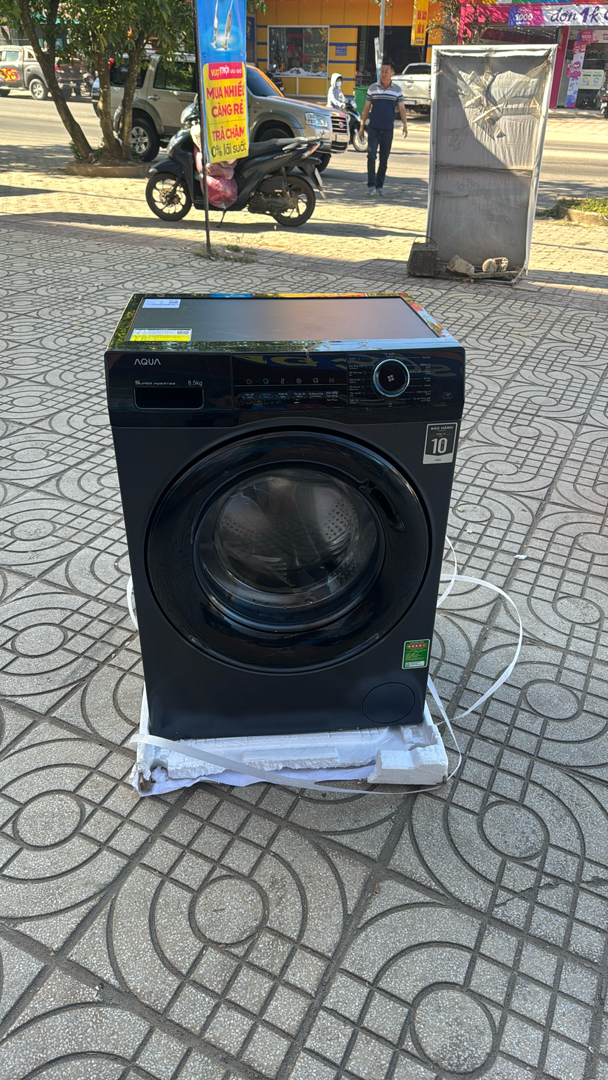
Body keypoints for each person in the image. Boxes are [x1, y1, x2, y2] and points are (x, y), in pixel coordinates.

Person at [359, 59, 408, 195]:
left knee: (384, 159)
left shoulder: (397, 90)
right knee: (371, 155)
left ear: (392, 73)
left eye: (387, 71)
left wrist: (405, 124)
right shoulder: (373, 88)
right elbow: (366, 109)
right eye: (382, 71)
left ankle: (379, 186)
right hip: (373, 128)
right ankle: (371, 185)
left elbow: (402, 109)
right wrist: (362, 126)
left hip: (387, 129)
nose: (384, 74)